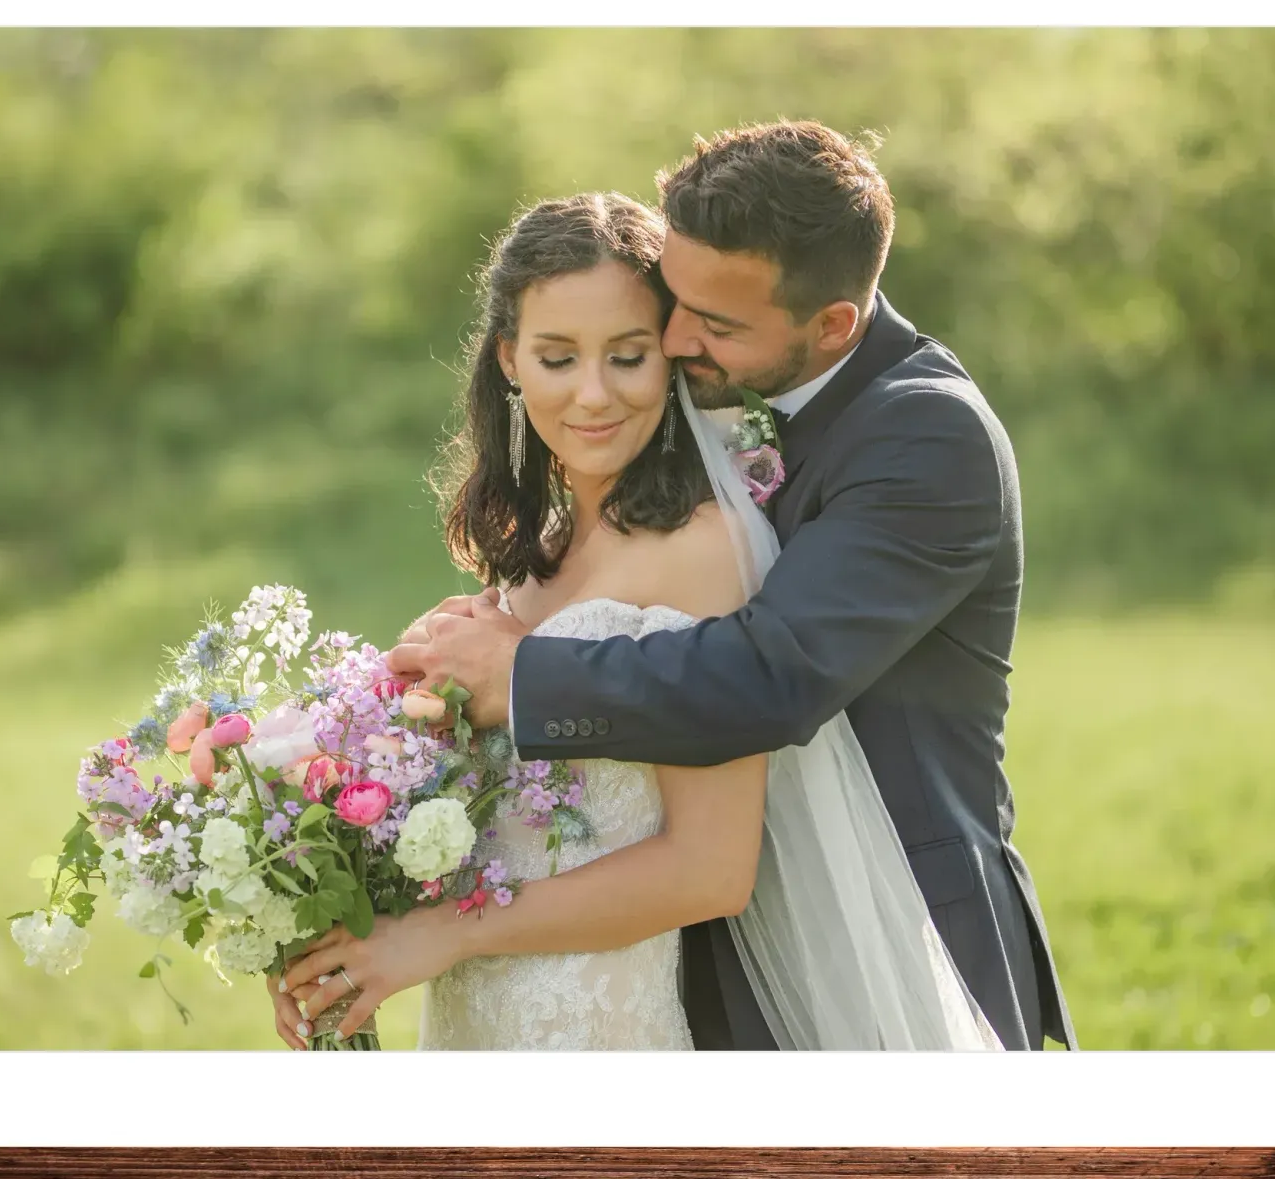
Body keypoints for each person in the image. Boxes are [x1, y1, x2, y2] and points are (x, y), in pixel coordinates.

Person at [371, 121, 1074, 1052]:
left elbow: (769, 677)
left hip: (885, 930)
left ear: (833, 326)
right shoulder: (673, 430)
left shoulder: (924, 438)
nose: (674, 336)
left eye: (713, 323)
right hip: (671, 961)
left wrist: (527, 678)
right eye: (678, 299)